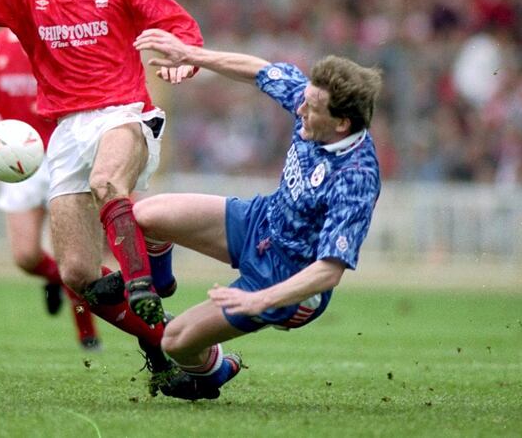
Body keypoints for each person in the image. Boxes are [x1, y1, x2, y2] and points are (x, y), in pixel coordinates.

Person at [0, 0, 204, 394]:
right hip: (66, 131)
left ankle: (142, 283)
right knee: (79, 274)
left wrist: (184, 58)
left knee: (107, 179)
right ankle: (165, 345)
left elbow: (181, 26)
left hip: (126, 114)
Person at [132, 28, 383, 401]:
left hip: (287, 280)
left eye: (310, 110)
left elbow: (330, 270)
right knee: (145, 216)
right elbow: (259, 71)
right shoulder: (315, 102)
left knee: (174, 341)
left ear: (342, 123)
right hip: (262, 221)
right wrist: (190, 55)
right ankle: (162, 286)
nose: (300, 109)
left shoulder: (356, 177)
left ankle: (215, 370)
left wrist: (260, 301)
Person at [0, 18, 100, 351]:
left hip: (61, 155)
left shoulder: (56, 41)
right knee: (25, 255)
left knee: (72, 258)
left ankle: (86, 333)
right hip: (17, 159)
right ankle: (52, 280)